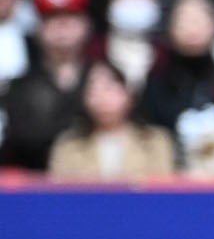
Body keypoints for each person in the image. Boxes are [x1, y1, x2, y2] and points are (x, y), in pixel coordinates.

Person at [0, 0, 94, 170]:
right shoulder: (20, 86)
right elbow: (23, 138)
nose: (62, 25)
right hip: (36, 185)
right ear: (38, 27)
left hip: (96, 184)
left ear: (86, 24)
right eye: (52, 17)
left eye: (71, 15)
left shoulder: (102, 77)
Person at [47, 59, 176, 181]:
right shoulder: (68, 146)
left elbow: (162, 190)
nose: (102, 98)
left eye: (109, 88)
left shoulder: (155, 141)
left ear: (128, 94)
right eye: (93, 91)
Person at [142, 0, 214, 147]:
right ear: (170, 27)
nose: (191, 27)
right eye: (184, 19)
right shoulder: (156, 81)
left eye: (199, 19)